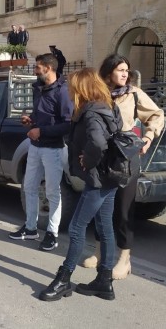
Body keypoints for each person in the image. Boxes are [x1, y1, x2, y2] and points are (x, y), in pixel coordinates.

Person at [38, 68, 122, 302]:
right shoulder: (108, 106)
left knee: (76, 228)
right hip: (110, 176)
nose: (69, 90)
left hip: (97, 179)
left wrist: (89, 159)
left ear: (82, 88)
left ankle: (63, 280)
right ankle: (104, 281)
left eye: (72, 86)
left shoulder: (91, 112)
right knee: (104, 227)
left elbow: (98, 143)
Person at [81, 54, 164, 280]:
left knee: (123, 209)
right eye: (120, 70)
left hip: (126, 156)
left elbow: (157, 114)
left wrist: (148, 137)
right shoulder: (98, 93)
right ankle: (99, 251)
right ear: (109, 72)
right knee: (100, 207)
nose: (125, 74)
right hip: (103, 155)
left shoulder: (133, 94)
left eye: (127, 70)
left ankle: (124, 259)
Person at [8, 53, 73, 251]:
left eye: (37, 67)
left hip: (53, 148)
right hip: (35, 146)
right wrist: (31, 121)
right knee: (29, 187)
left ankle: (52, 234)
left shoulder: (62, 91)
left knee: (53, 192)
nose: (35, 71)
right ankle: (30, 228)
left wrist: (41, 131)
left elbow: (68, 124)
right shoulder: (38, 87)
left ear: (48, 68)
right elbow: (41, 116)